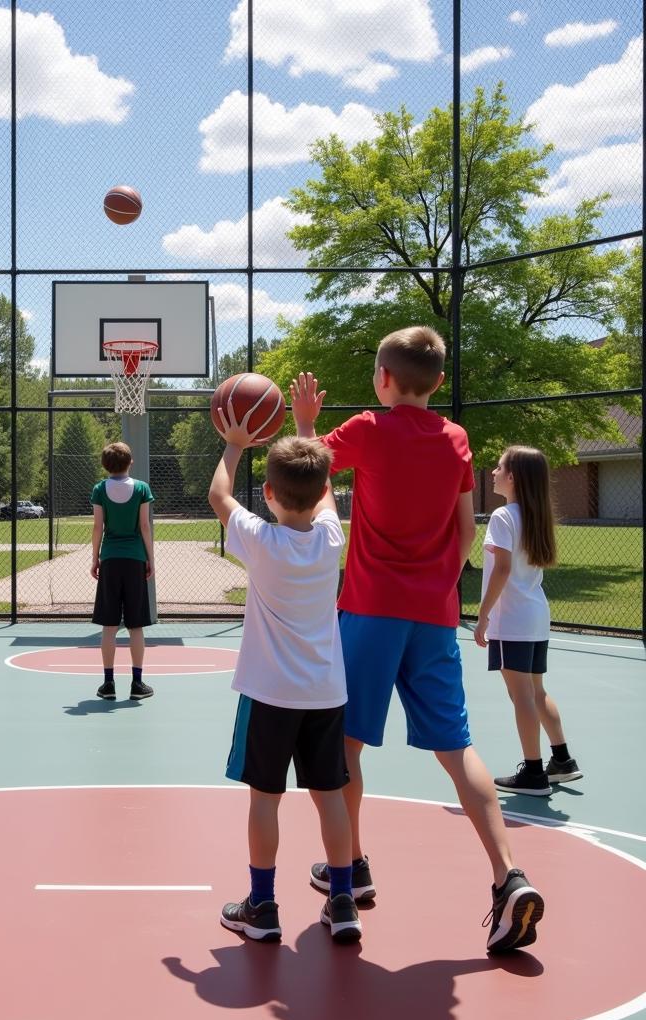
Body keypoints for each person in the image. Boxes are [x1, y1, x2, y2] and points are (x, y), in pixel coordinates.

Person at [292, 326, 545, 954]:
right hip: (433, 615)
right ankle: (508, 876)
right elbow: (465, 531)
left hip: (371, 610)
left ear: (383, 379)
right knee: (457, 749)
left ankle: (348, 878)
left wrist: (303, 423)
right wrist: (438, 584)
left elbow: (305, 477)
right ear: (435, 382)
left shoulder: (367, 429)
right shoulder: (456, 440)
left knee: (346, 745)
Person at [208, 405, 360, 945]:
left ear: (268, 493)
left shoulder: (259, 540)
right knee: (330, 796)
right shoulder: (330, 541)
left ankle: (263, 905)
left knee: (264, 800)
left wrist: (234, 442)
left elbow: (219, 496)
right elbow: (323, 497)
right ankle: (342, 900)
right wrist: (305, 430)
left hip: (270, 694)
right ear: (322, 489)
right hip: (325, 693)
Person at [475, 446, 582, 796]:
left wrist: (483, 614)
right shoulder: (535, 516)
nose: (493, 471)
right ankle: (562, 760)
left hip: (513, 621)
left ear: (513, 477)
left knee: (520, 695)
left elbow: (502, 570)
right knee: (536, 692)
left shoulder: (503, 517)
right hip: (536, 617)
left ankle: (534, 773)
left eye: (499, 466)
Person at [90, 442, 155, 701]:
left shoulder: (99, 489)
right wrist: (150, 558)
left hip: (111, 559)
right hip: (135, 559)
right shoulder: (141, 488)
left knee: (109, 625)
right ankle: (137, 684)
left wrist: (95, 558)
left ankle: (108, 684)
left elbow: (98, 527)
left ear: (105, 465)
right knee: (136, 625)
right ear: (130, 462)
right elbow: (144, 526)